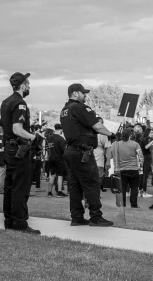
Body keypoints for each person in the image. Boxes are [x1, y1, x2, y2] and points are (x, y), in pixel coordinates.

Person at [61, 83, 115, 227]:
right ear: (75, 93)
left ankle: (77, 217)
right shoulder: (79, 107)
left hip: (70, 150)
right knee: (92, 183)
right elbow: (97, 125)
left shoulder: (65, 109)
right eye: (83, 93)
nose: (85, 95)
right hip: (82, 151)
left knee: (75, 185)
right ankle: (96, 216)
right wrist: (112, 134)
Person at [0, 73, 42, 234]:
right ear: (23, 85)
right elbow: (17, 129)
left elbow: (2, 127)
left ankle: (9, 220)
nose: (29, 86)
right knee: (20, 187)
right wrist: (34, 137)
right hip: (19, 149)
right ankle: (20, 222)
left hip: (9, 148)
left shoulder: (6, 102)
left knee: (10, 186)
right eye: (28, 83)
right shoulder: (20, 103)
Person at [108, 127, 142, 208]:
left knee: (122, 188)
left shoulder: (116, 145)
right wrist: (140, 168)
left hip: (121, 170)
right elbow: (141, 157)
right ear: (130, 135)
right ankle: (134, 204)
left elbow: (111, 156)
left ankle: (123, 204)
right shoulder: (135, 144)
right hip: (134, 169)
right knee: (134, 187)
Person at [43, 128, 67, 197]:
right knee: (60, 175)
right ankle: (59, 192)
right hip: (59, 158)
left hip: (51, 158)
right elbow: (63, 149)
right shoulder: (60, 138)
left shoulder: (49, 138)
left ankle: (49, 192)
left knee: (52, 175)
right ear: (60, 130)